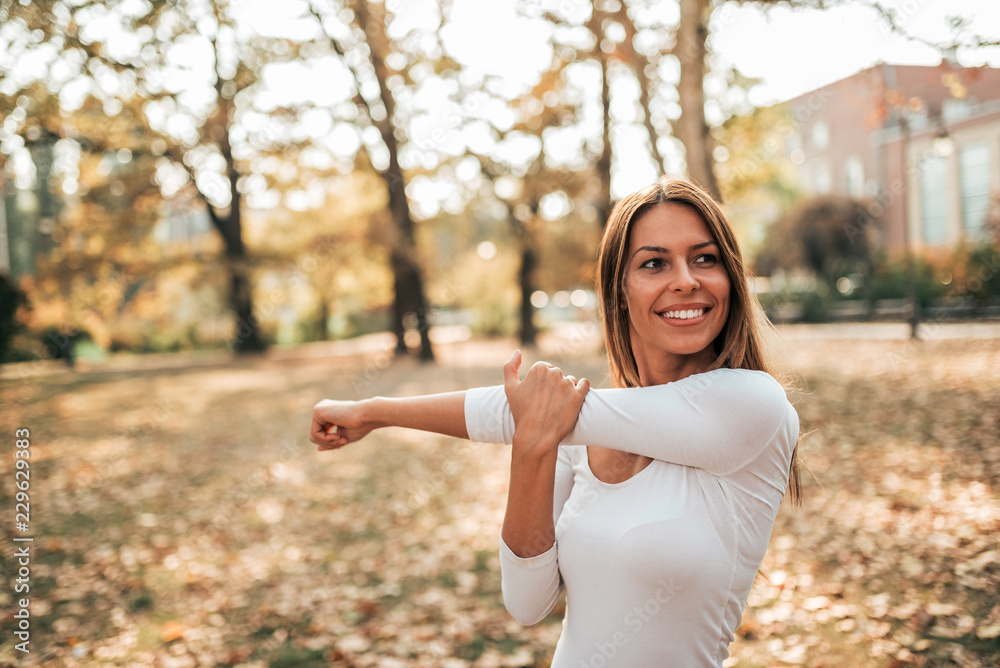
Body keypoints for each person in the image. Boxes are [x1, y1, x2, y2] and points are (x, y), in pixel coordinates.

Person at [310, 177, 801, 667]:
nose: (685, 280)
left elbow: (518, 411)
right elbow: (527, 604)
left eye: (705, 258)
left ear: (730, 277)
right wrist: (532, 451)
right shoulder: (576, 433)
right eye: (654, 263)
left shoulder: (752, 402)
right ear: (619, 291)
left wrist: (375, 411)